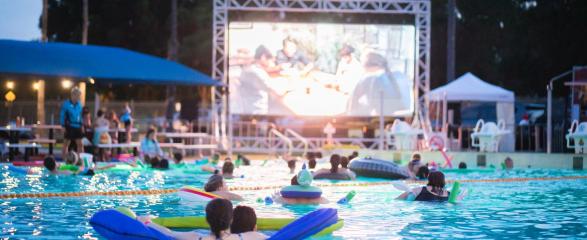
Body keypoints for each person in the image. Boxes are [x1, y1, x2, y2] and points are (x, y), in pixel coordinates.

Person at [142, 199, 265, 240]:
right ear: (231, 219)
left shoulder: (195, 237)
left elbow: (169, 233)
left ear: (207, 219)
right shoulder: (248, 237)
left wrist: (148, 221)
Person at [60, 87, 84, 157]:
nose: (78, 97)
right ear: (72, 95)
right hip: (69, 126)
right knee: (66, 144)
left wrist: (82, 125)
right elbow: (62, 115)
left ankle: (80, 159)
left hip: (77, 127)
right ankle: (64, 159)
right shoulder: (66, 104)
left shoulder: (79, 104)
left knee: (80, 144)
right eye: (76, 95)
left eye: (79, 95)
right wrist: (63, 126)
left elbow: (80, 115)